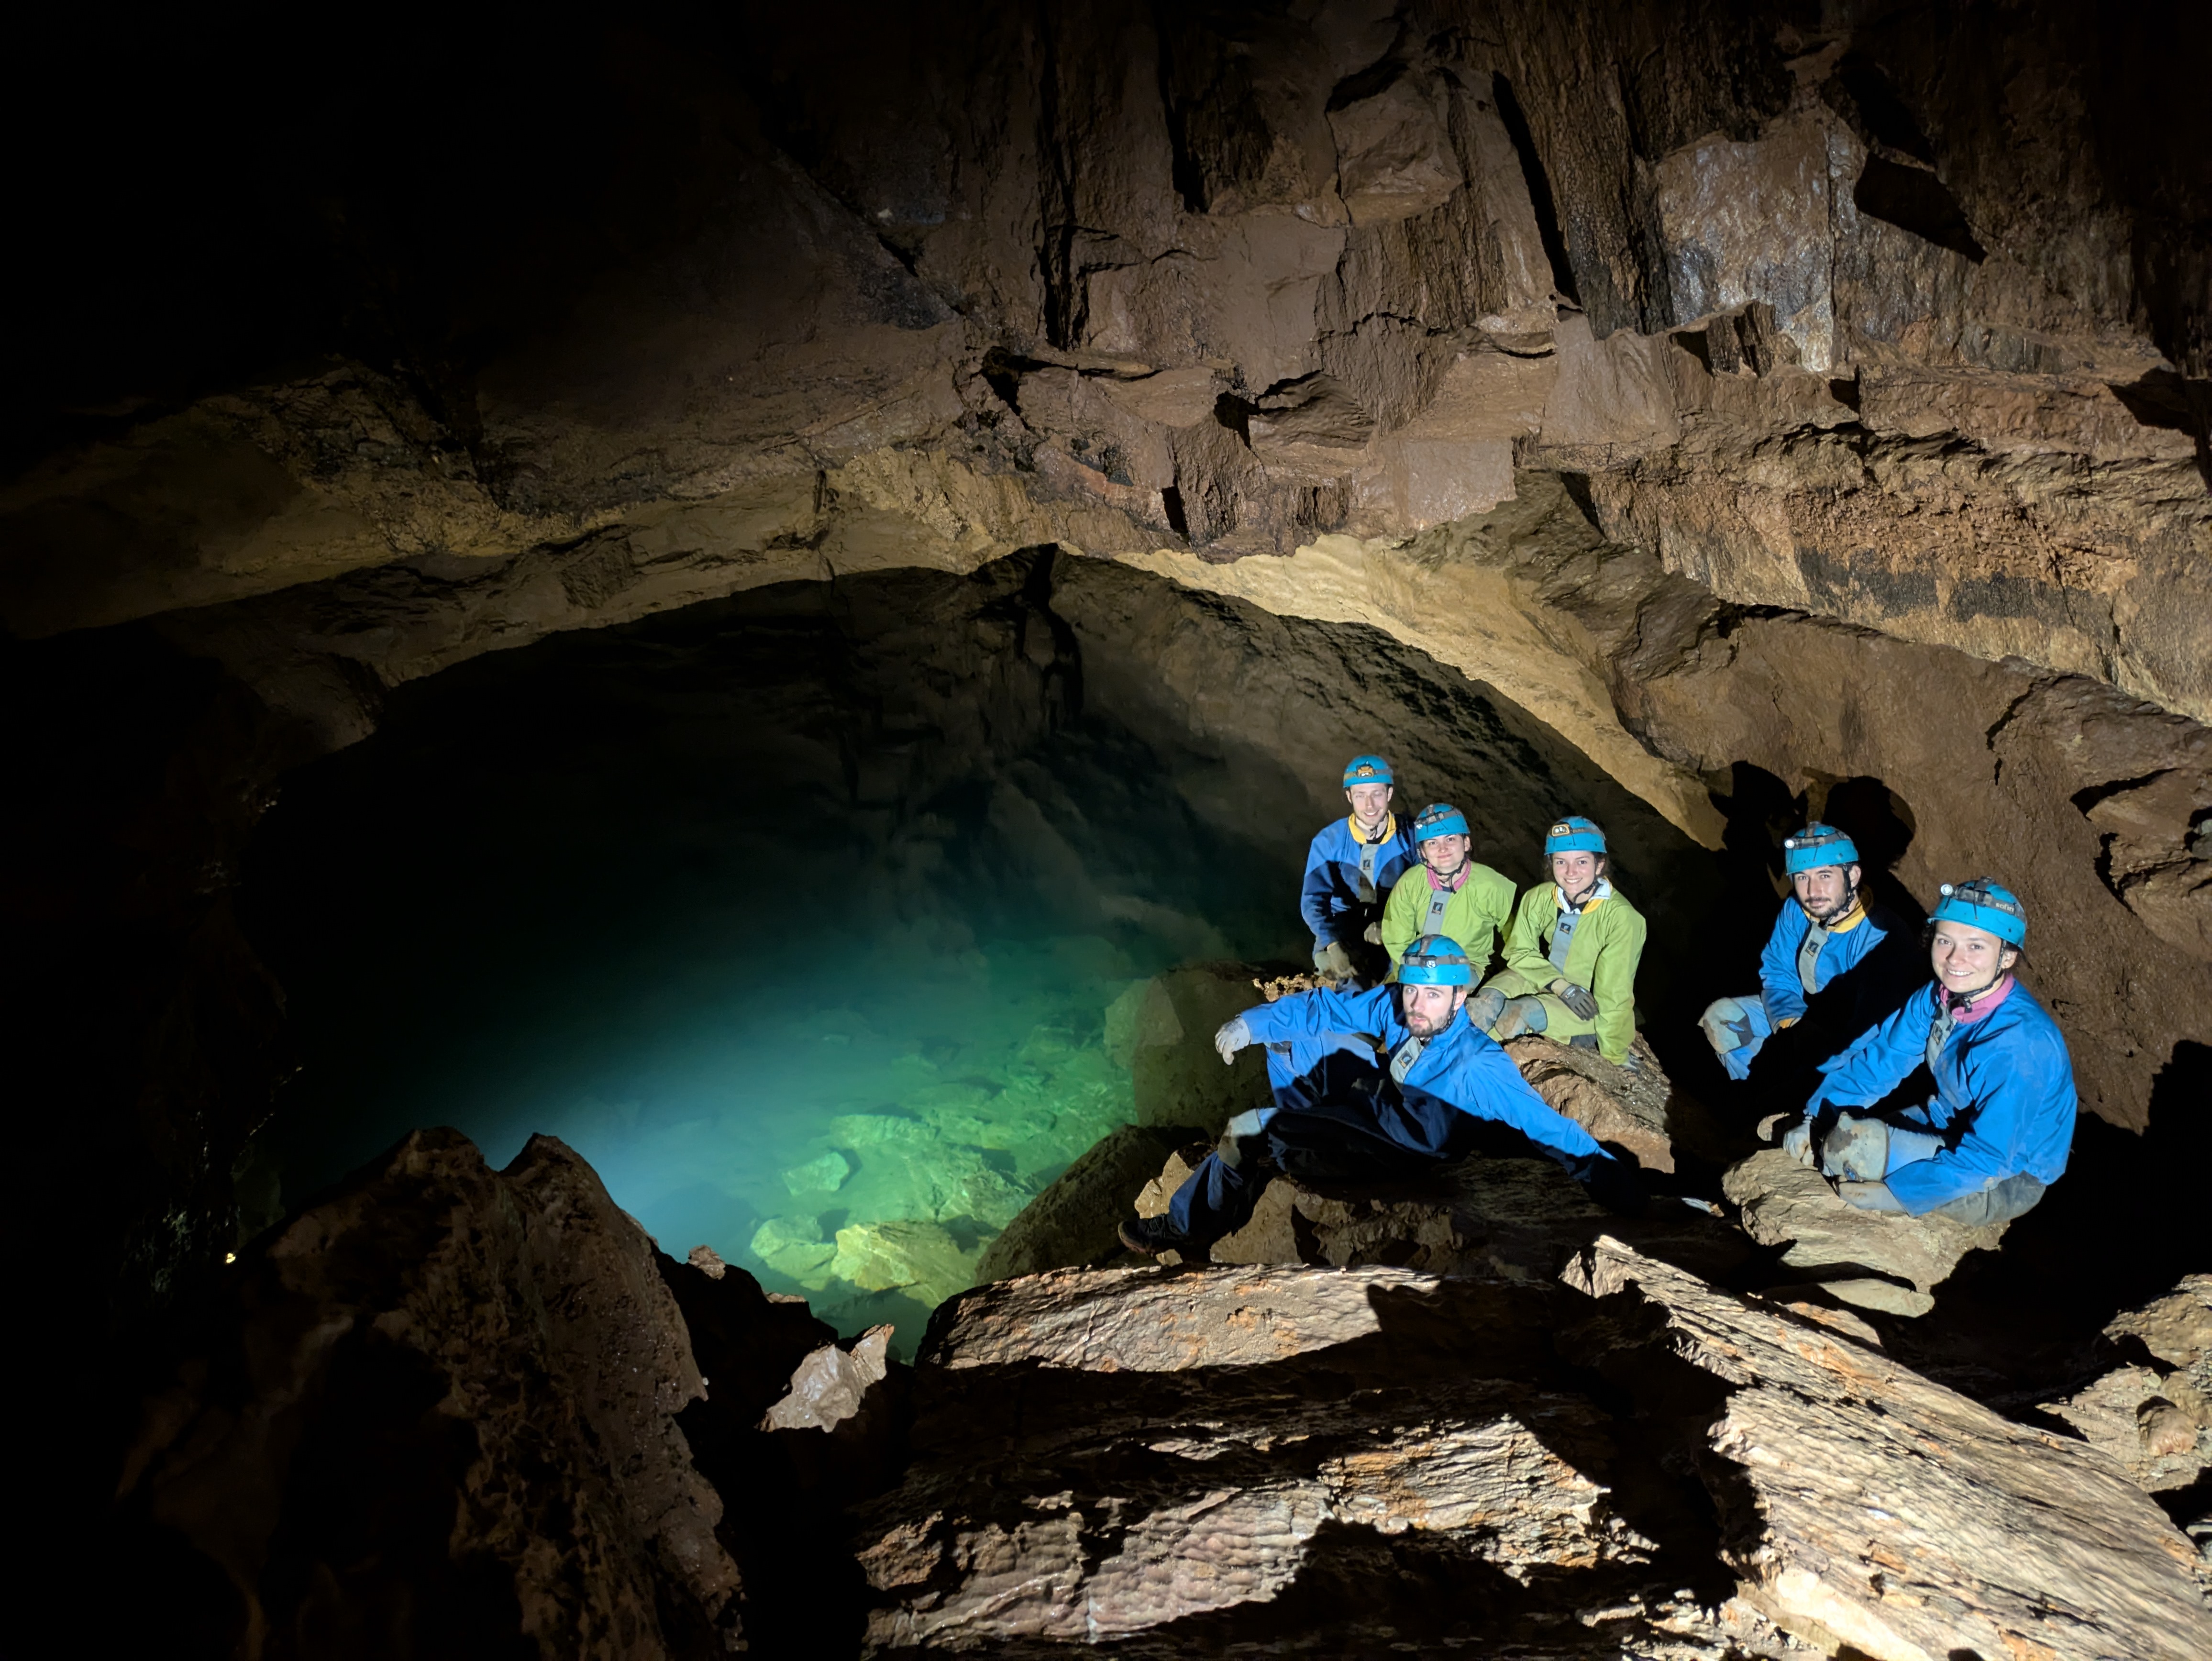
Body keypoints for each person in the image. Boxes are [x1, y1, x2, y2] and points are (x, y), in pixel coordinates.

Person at [1117, 935, 1641, 1255]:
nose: (1416, 1004)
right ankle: (1295, 1130)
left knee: (1243, 1131)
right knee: (1295, 1036)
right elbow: (1328, 1008)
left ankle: (1185, 1228)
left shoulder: (1478, 1067)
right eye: (1412, 989)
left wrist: (1633, 1198)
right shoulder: (1403, 1008)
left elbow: (1552, 1131)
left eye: (1432, 994)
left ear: (1461, 997)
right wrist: (1252, 1023)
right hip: (1374, 1103)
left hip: (1390, 1149)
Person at [1781, 878, 2075, 1224]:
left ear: (2007, 956)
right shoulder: (1940, 997)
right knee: (1837, 1134)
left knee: (1850, 1148)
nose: (1955, 959)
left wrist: (1901, 1194)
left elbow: (1989, 1156)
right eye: (1945, 941)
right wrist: (1815, 1114)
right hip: (1947, 1118)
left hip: (2009, 1174)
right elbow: (1882, 1061)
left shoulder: (2022, 1045)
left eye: (1976, 946)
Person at [1697, 823, 1916, 1081]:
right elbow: (1778, 970)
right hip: (1803, 1015)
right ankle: (1755, 1091)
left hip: (1852, 1045)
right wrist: (1791, 1024)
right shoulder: (1797, 910)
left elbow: (1872, 1031)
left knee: (1814, 1072)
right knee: (1723, 1019)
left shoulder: (1883, 940)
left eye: (1825, 875)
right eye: (1802, 877)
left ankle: (1793, 1095)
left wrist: (1814, 1059)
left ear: (1853, 876)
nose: (1813, 891)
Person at [1471, 817, 1646, 1065]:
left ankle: (1473, 1070)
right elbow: (1519, 951)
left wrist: (1615, 1054)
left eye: (1582, 862)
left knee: (1515, 1016)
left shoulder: (1622, 919)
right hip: (1546, 978)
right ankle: (1446, 1062)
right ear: (1551, 863)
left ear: (1599, 865)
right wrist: (1559, 985)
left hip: (1585, 1002)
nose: (1570, 872)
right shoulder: (1541, 897)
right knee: (1483, 1005)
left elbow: (1614, 994)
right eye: (1561, 862)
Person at [1300, 753, 1418, 984]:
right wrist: (1332, 944)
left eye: (1377, 794)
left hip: (1395, 918)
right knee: (1330, 965)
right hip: (1347, 920)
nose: (1369, 805)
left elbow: (1431, 891)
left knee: (1406, 976)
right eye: (1360, 795)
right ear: (1349, 797)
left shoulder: (1413, 838)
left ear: (1389, 794)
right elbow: (1313, 901)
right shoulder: (1329, 842)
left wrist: (1395, 927)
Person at [1379, 803, 1516, 981]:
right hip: (1414, 967)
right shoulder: (1409, 884)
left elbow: (1518, 939)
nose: (1442, 849)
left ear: (1466, 843)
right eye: (1432, 843)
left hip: (1465, 969)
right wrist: (1415, 973)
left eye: (1450, 839)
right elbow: (1397, 940)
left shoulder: (1493, 886)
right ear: (1423, 852)